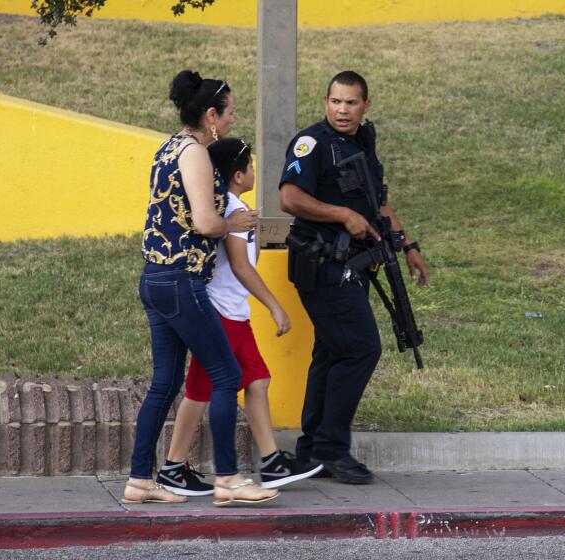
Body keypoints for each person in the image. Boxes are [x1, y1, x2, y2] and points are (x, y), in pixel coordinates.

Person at [124, 71, 278, 507]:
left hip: (155, 278)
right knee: (227, 375)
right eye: (229, 113)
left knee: (165, 383)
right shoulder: (195, 155)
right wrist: (233, 223)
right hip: (180, 280)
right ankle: (228, 479)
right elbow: (205, 223)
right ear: (210, 115)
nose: (232, 121)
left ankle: (140, 480)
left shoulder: (170, 146)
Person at [279, 71, 429, 484]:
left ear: (366, 105)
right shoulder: (312, 144)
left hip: (352, 267)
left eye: (351, 103)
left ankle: (312, 449)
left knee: (331, 352)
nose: (343, 111)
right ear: (325, 101)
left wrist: (408, 245)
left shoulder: (363, 142)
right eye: (336, 102)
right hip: (323, 264)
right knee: (360, 349)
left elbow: (377, 201)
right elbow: (289, 197)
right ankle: (331, 450)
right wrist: (343, 215)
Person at [155, 138, 323, 497]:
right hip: (219, 313)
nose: (254, 170)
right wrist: (275, 307)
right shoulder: (230, 211)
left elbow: (249, 257)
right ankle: (173, 466)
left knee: (258, 380)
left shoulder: (236, 209)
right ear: (236, 174)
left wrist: (254, 228)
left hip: (235, 313)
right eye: (249, 165)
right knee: (200, 391)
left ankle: (271, 462)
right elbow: (243, 268)